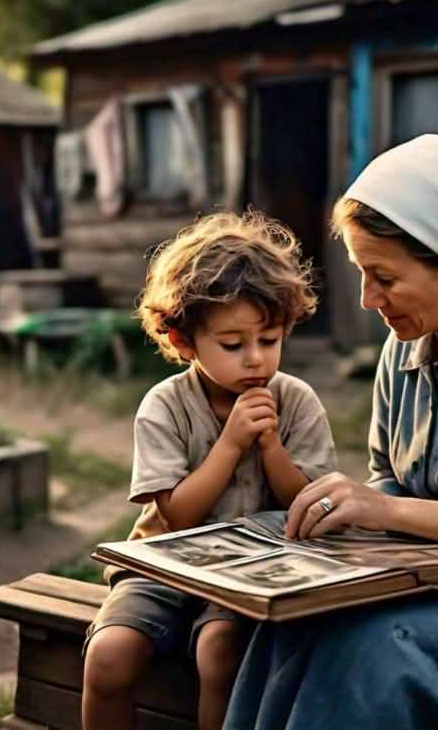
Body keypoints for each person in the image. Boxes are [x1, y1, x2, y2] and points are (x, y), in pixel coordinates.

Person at [224, 134, 438, 730]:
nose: (366, 298)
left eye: (383, 276)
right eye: (360, 273)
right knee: (292, 615)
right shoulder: (407, 339)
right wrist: (343, 516)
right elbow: (392, 483)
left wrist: (382, 510)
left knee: (368, 644)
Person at [81, 210, 337, 730]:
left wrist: (270, 448)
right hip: (162, 565)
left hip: (257, 571)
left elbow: (307, 505)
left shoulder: (296, 401)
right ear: (183, 341)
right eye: (233, 344)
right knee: (109, 656)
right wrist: (231, 442)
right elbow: (177, 515)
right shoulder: (166, 406)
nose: (256, 361)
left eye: (270, 341)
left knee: (220, 653)